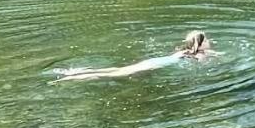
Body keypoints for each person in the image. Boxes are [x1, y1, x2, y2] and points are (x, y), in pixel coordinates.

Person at [54, 31, 216, 82]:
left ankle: (75, 72)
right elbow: (202, 66)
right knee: (116, 74)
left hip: (153, 61)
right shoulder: (199, 56)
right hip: (155, 65)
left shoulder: (183, 51)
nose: (210, 41)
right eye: (206, 39)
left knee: (118, 70)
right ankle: (69, 78)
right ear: (199, 44)